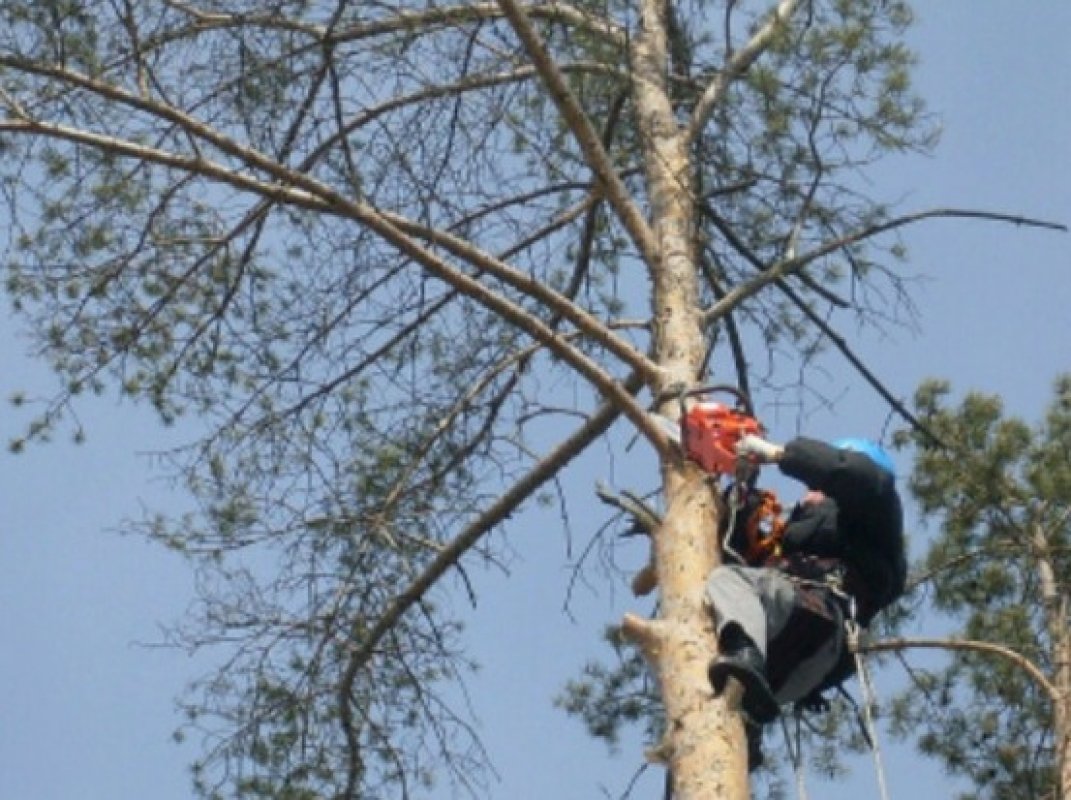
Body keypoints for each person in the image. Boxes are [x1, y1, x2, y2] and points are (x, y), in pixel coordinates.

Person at [705, 434, 906, 745]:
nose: (807, 494)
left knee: (728, 581)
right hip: (799, 671)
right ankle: (744, 729)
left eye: (817, 487)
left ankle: (745, 658)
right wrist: (740, 496)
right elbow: (735, 548)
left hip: (814, 614)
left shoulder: (872, 512)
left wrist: (784, 455)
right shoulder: (790, 547)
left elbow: (855, 477)